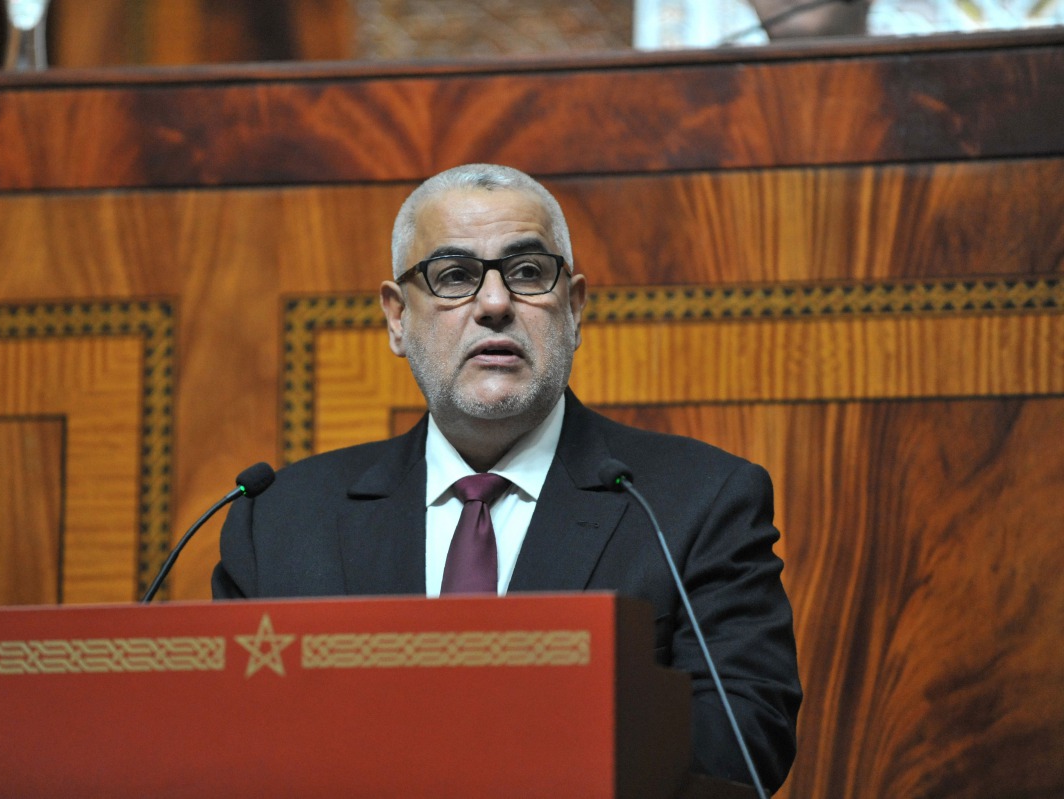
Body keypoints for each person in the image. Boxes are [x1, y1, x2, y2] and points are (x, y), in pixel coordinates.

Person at [213, 164, 801, 791]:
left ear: (574, 307)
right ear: (397, 318)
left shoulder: (697, 501)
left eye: (527, 273)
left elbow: (744, 738)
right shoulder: (279, 520)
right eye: (453, 276)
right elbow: (228, 743)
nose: (495, 304)